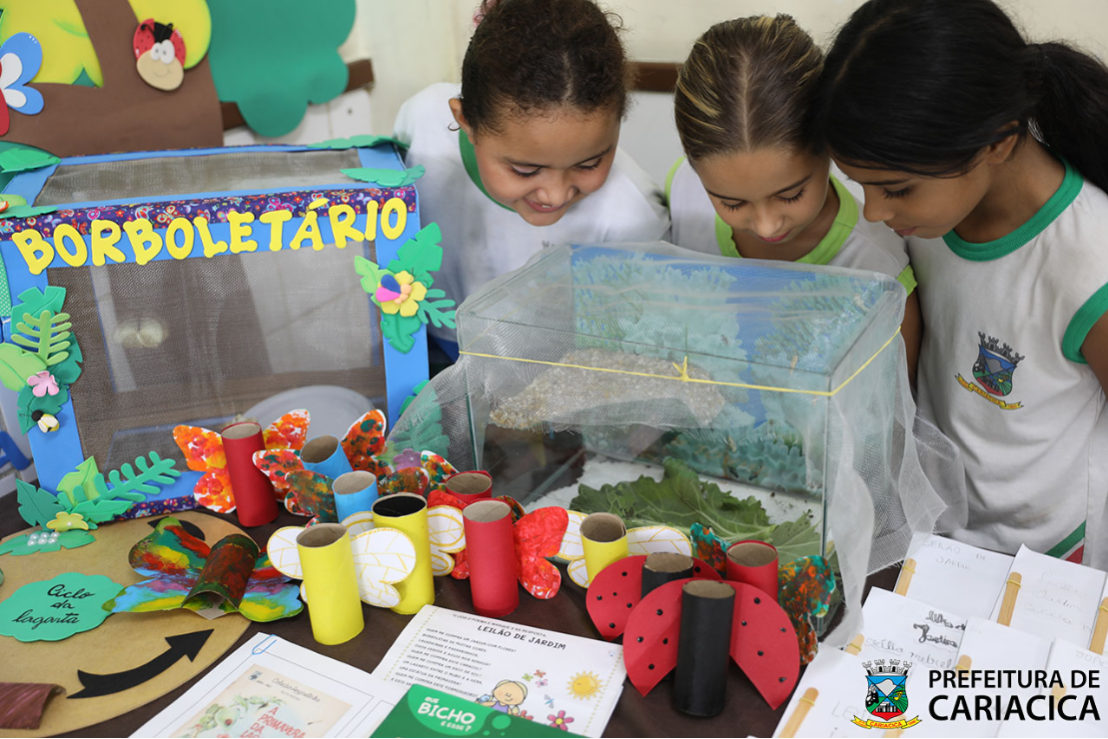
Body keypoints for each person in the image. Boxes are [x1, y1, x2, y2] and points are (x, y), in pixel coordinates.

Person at [814, 0, 1108, 564]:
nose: (872, 212)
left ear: (997, 142)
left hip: (1053, 554)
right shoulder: (928, 216)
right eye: (860, 185)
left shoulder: (1087, 259)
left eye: (894, 189)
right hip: (940, 528)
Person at [393, 0, 670, 365]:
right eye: (525, 170)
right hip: (425, 348)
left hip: (561, 373)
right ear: (467, 122)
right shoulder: (421, 128)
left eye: (589, 163)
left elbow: (630, 352)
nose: (555, 194)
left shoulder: (633, 217)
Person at [667, 15, 921, 379]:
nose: (767, 226)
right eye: (732, 203)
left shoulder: (876, 268)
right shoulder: (683, 195)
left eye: (791, 195)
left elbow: (886, 419)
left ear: (828, 150)